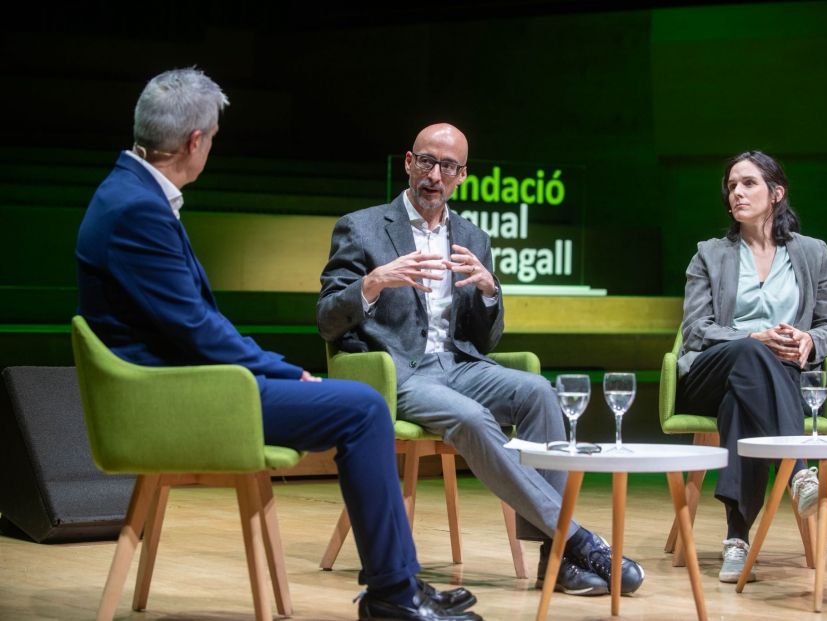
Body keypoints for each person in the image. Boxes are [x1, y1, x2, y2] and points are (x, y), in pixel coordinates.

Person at [75, 68, 483, 621]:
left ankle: (397, 585)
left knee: (361, 406)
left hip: (186, 384)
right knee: (365, 408)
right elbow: (197, 331)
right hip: (176, 398)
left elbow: (191, 325)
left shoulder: (127, 192)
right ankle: (394, 591)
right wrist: (287, 373)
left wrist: (272, 370)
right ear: (194, 142)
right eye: (213, 137)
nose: (211, 147)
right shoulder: (136, 210)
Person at [317, 122, 645, 597]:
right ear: (409, 163)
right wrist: (372, 283)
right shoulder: (362, 226)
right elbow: (327, 320)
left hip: (458, 366)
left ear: (462, 176)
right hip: (397, 371)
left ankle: (552, 560)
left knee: (539, 393)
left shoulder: (472, 236)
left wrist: (491, 292)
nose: (435, 175)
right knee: (472, 418)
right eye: (427, 162)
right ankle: (575, 540)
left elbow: (484, 342)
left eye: (448, 167)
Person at [676, 150, 827, 583]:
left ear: (777, 193)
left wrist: (810, 340)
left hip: (778, 379)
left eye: (748, 183)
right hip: (710, 373)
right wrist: (754, 337)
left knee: (741, 403)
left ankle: (736, 540)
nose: (737, 192)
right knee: (750, 354)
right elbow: (695, 330)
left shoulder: (813, 253)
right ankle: (799, 470)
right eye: (732, 185)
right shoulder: (709, 255)